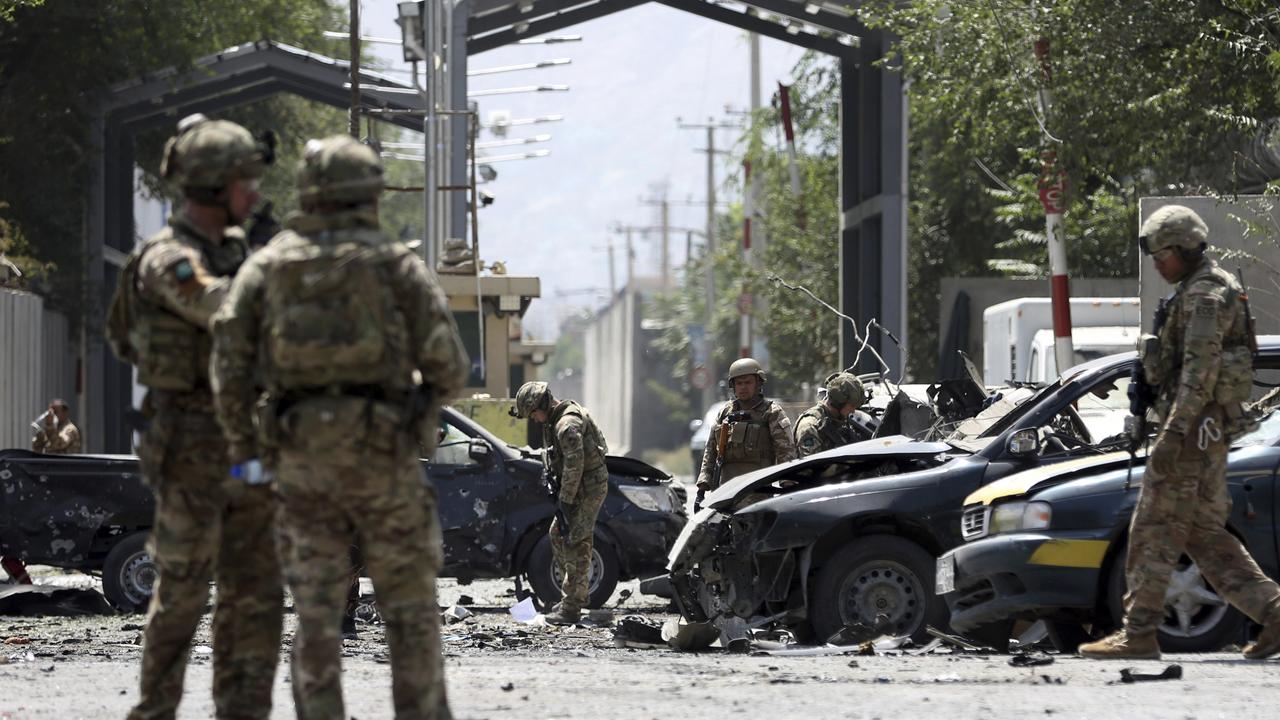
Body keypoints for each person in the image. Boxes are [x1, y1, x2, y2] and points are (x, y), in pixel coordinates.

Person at [211, 134, 468, 720]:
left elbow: (227, 372)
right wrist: (416, 413)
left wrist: (252, 450)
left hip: (300, 468)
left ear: (308, 191)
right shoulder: (397, 265)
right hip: (386, 462)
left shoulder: (267, 265)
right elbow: (449, 367)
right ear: (370, 193)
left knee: (317, 616)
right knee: (410, 615)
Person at [105, 113, 283, 720]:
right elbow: (222, 308)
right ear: (212, 186)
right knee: (182, 592)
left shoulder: (239, 249)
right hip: (190, 452)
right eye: (244, 181)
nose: (254, 193)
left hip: (248, 449)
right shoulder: (168, 259)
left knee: (254, 595)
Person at [1079, 204, 1280, 660]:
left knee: (1152, 526)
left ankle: (1139, 633)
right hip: (1204, 432)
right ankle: (1273, 611)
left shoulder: (1204, 296)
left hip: (1190, 434)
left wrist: (1172, 435)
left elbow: (1198, 373)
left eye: (1161, 254)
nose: (1156, 263)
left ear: (1184, 250)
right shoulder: (1200, 288)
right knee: (1203, 534)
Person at [510, 381, 610, 625]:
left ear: (542, 404)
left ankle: (572, 607)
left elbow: (575, 467)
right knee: (557, 534)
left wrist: (565, 503)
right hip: (577, 489)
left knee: (577, 541)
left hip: (588, 490)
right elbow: (557, 456)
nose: (534, 419)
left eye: (533, 413)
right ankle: (573, 593)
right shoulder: (555, 420)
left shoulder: (567, 425)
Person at [696, 358, 796, 496]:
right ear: (733, 386)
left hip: (758, 491)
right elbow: (711, 450)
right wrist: (702, 487)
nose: (743, 387)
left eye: (748, 382)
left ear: (758, 383)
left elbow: (785, 451)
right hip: (726, 492)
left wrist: (787, 487)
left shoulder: (771, 412)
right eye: (739, 383)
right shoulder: (725, 413)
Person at [793, 372, 868, 458]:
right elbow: (811, 467)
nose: (853, 410)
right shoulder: (810, 426)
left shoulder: (841, 421)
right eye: (852, 405)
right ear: (838, 402)